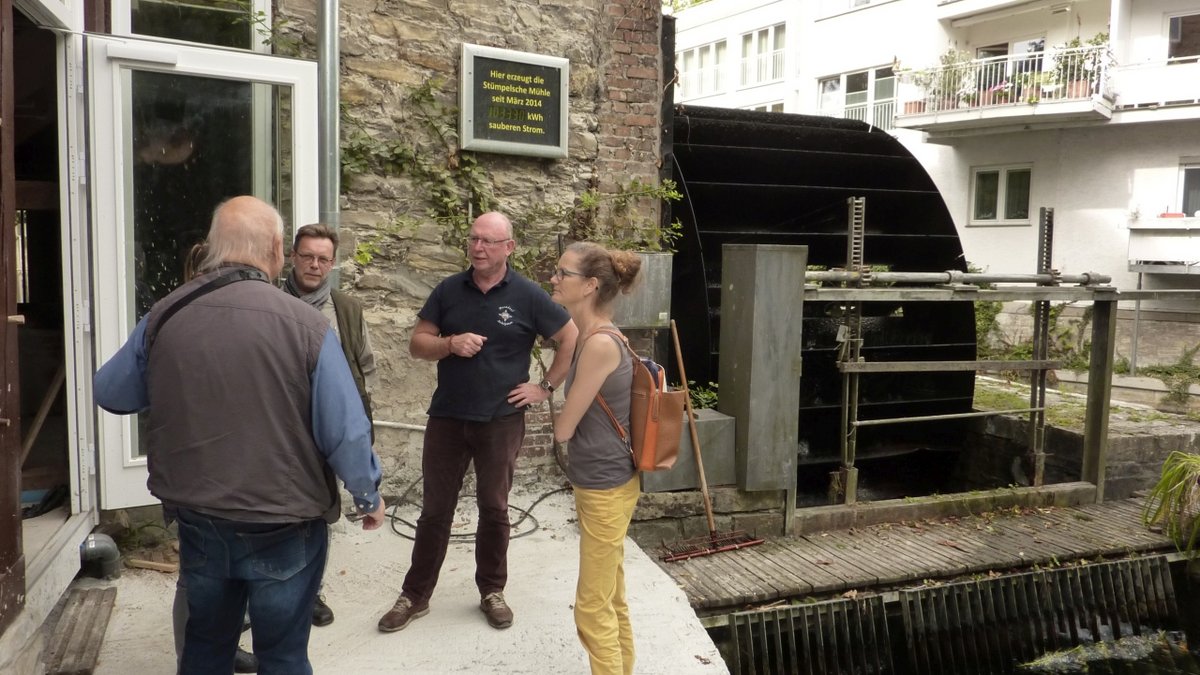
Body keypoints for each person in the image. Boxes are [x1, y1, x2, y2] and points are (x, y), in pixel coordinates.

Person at [94, 196, 386, 674]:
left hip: (200, 515)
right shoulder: (308, 326)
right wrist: (367, 494)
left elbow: (112, 392)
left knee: (206, 648)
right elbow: (345, 431)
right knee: (283, 655)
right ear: (276, 249)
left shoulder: (166, 314)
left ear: (213, 247)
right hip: (285, 519)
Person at [377, 211, 578, 633]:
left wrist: (544, 387)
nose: (478, 247)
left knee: (494, 507)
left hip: (500, 420)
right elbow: (418, 344)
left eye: (488, 241)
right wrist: (450, 343)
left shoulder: (528, 294)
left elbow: (570, 337)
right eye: (474, 239)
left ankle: (491, 590)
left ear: (509, 247)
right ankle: (415, 595)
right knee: (435, 510)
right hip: (448, 417)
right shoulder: (448, 290)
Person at [549, 242, 643, 675]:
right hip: (603, 482)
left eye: (562, 273)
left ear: (589, 286)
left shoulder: (600, 344)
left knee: (590, 608)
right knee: (611, 596)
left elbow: (563, 429)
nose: (554, 278)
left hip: (605, 487)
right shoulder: (590, 335)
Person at [283, 223, 378, 626]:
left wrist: (361, 426)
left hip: (326, 433)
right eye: (307, 256)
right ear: (292, 257)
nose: (314, 265)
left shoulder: (346, 310)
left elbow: (366, 368)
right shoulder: (270, 301)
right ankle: (265, 596)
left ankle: (311, 593)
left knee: (320, 514)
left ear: (333, 263)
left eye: (323, 259)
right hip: (281, 429)